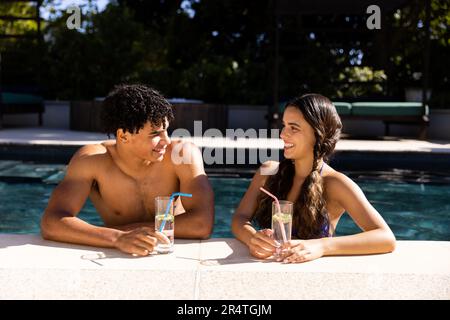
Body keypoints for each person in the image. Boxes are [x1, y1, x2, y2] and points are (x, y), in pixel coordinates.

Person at [41, 84, 214, 256]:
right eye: (155, 134)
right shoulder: (92, 161)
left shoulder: (182, 155)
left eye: (166, 131)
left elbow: (202, 224)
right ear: (123, 136)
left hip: (172, 252)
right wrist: (117, 238)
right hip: (120, 255)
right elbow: (51, 223)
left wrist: (123, 232)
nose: (166, 141)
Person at [232, 93, 396, 263]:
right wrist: (252, 238)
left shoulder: (335, 184)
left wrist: (322, 246)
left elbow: (385, 237)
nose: (282, 134)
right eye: (284, 125)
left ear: (318, 133)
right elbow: (239, 218)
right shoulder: (268, 172)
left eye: (293, 127)